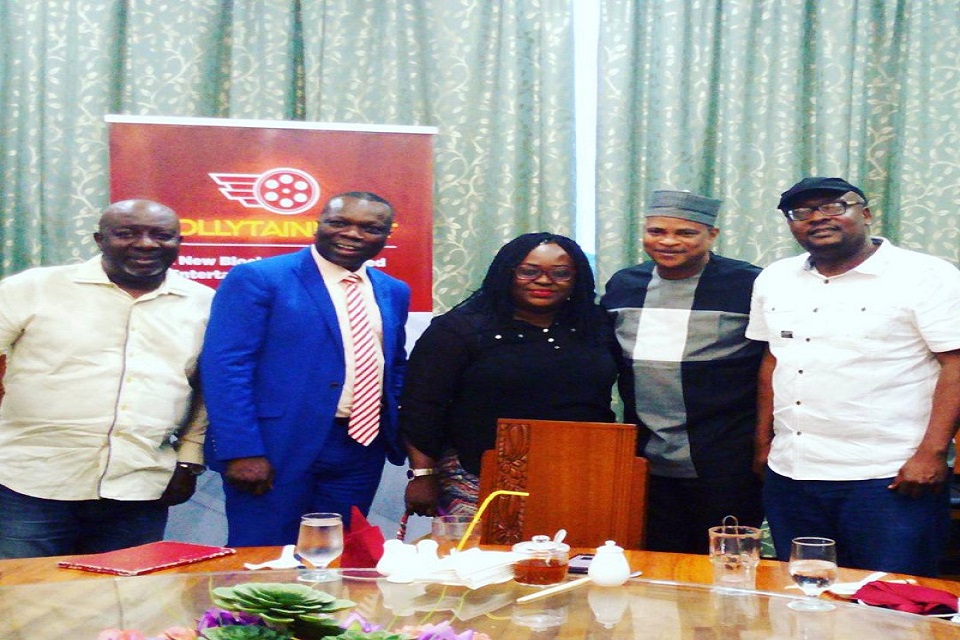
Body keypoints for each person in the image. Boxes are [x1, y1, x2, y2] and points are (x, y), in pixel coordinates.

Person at [748, 176, 960, 576]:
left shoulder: (927, 275)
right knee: (805, 593)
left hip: (888, 476)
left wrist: (932, 453)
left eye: (833, 206)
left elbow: (955, 363)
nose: (817, 218)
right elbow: (773, 360)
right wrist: (763, 443)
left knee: (891, 599)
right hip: (793, 472)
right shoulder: (774, 278)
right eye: (801, 212)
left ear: (866, 213)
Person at [0, 199, 213, 558]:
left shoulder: (203, 303)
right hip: (30, 482)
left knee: (124, 590)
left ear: (179, 242)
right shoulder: (33, 288)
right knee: (25, 589)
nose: (145, 244)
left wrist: (189, 460)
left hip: (140, 484)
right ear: (100, 239)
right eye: (127, 234)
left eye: (161, 235)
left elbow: (206, 389)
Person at [201, 191, 410, 546]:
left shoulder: (393, 290)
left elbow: (394, 364)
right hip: (275, 445)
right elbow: (226, 367)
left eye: (370, 228)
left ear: (386, 235)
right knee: (264, 556)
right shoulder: (259, 277)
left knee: (337, 555)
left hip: (360, 447)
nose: (352, 234)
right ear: (318, 224)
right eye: (339, 222)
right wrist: (240, 449)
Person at [401, 232, 618, 517]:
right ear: (506, 273)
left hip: (582, 473)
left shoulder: (596, 324)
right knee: (484, 549)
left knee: (577, 547)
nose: (544, 281)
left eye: (561, 273)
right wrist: (423, 474)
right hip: (478, 474)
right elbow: (421, 405)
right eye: (529, 271)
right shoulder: (459, 329)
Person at [601, 190, 765, 554]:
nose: (669, 241)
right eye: (657, 231)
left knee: (728, 560)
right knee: (655, 560)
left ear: (712, 235)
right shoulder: (625, 284)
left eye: (685, 233)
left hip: (727, 459)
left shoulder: (750, 284)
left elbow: (776, 364)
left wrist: (764, 444)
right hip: (646, 458)